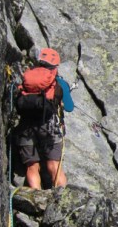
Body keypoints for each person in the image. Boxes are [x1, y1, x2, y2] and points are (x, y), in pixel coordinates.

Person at [15, 48, 74, 189]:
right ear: (55, 66)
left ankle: (35, 200)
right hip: (50, 127)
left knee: (32, 166)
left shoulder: (27, 80)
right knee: (54, 165)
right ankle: (61, 203)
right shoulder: (59, 82)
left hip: (26, 127)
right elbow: (70, 107)